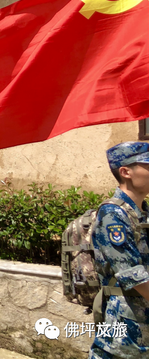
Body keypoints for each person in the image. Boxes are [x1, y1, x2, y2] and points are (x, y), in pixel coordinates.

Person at [89, 142, 149, 359]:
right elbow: (133, 275)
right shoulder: (112, 214)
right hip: (123, 332)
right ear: (126, 172)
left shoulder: (142, 213)